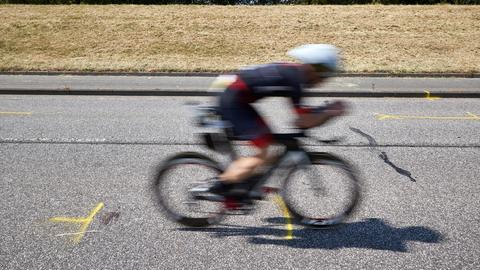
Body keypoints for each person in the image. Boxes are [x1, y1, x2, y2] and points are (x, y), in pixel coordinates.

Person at [204, 44, 346, 199]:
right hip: (233, 101)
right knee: (266, 153)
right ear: (313, 68)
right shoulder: (295, 80)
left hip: (238, 97)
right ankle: (220, 185)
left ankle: (245, 181)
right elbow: (303, 121)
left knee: (271, 147)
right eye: (325, 73)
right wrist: (330, 112)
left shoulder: (295, 75)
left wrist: (322, 112)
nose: (324, 80)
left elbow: (303, 116)